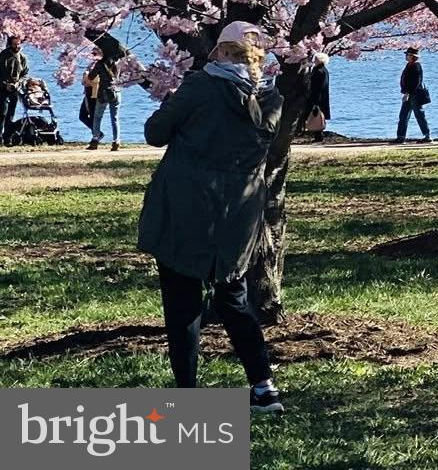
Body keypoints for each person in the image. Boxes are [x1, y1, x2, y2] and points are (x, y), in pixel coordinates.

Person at [138, 20, 285, 416]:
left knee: (183, 303)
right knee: (234, 300)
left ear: (220, 52)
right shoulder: (272, 97)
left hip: (186, 208)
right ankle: (263, 388)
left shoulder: (202, 86)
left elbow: (155, 132)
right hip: (238, 213)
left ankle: (187, 398)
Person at [85, 42, 123, 151]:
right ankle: (116, 141)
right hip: (116, 91)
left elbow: (91, 77)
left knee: (97, 117)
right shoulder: (116, 64)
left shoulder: (100, 64)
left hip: (103, 93)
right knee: (115, 118)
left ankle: (95, 140)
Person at [395, 46, 431, 143]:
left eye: (408, 55)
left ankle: (427, 136)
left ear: (412, 56)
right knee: (403, 116)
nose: (406, 56)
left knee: (419, 115)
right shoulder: (409, 65)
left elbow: (415, 82)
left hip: (414, 95)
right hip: (409, 94)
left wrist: (407, 93)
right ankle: (401, 137)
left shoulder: (416, 66)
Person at [0, 33, 26, 140]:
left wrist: (18, 83)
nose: (17, 46)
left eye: (18, 44)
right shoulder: (3, 56)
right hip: (2, 89)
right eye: (15, 44)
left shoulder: (22, 58)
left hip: (15, 89)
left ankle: (7, 136)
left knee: (11, 113)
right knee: (2, 113)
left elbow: (24, 74)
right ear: (10, 44)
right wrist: (4, 84)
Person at [303, 52, 331, 140]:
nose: (314, 60)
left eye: (316, 59)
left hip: (317, 97)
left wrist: (316, 102)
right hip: (320, 97)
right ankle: (317, 135)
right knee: (317, 117)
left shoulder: (320, 71)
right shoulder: (322, 70)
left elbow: (318, 87)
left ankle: (318, 136)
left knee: (316, 116)